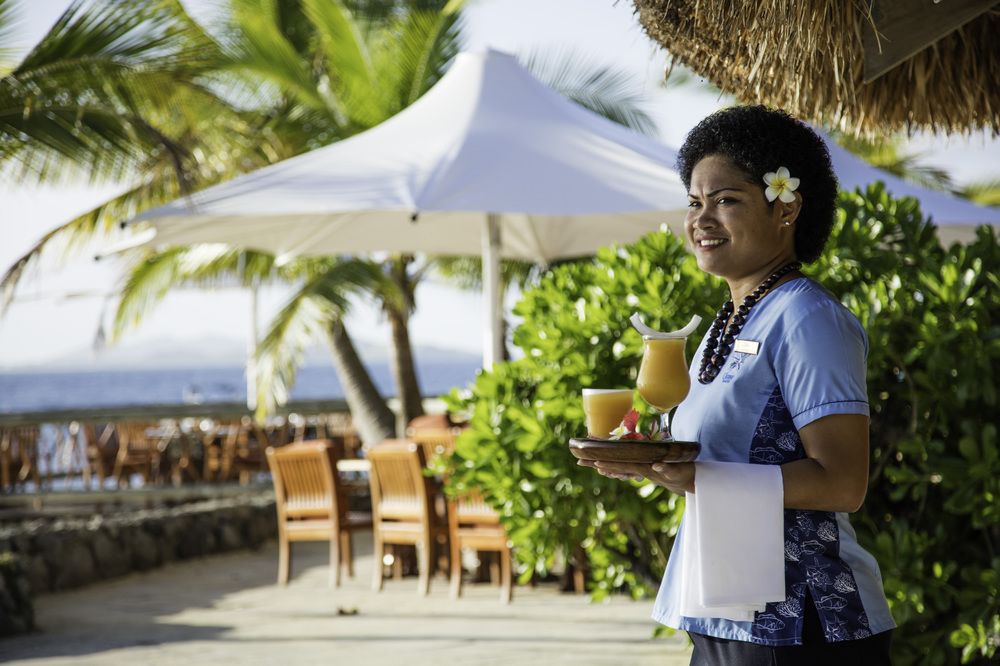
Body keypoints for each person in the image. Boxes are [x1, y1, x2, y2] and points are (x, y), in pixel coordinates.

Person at [579, 105, 895, 664]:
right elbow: (717, 462)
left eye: (726, 200)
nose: (701, 219)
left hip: (805, 621)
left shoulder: (808, 318)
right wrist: (649, 458)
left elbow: (843, 482)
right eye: (694, 202)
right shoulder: (728, 322)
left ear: (787, 207)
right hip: (724, 610)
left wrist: (697, 476)